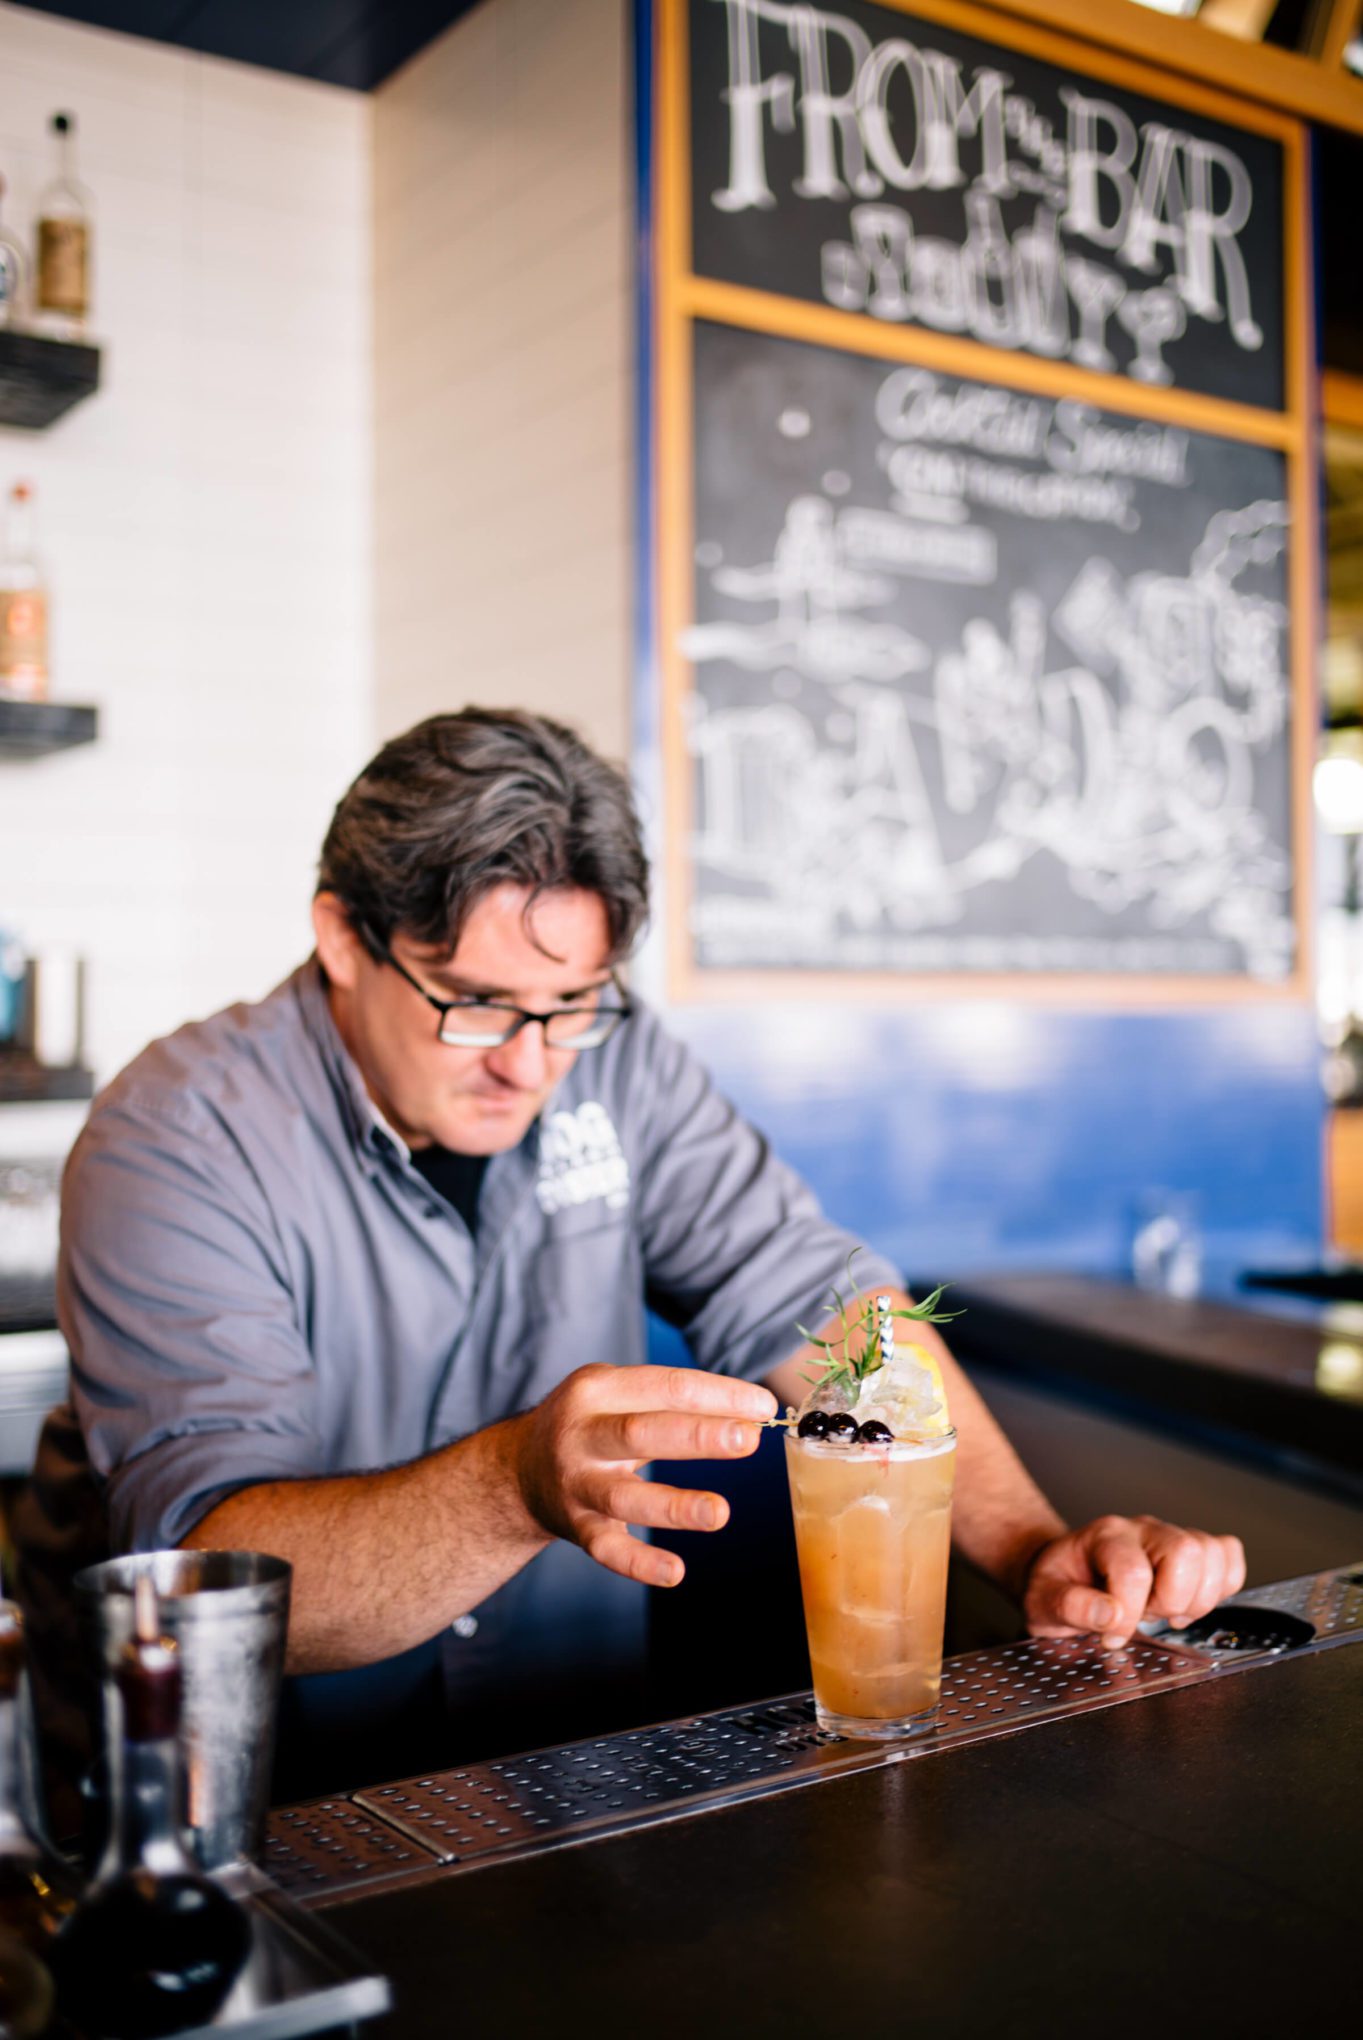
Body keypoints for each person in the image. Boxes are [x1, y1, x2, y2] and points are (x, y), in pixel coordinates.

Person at [34, 710, 1244, 1772]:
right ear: (345, 938)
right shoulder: (178, 1134)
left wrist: (1031, 1546)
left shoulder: (621, 1064)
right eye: (477, 1004)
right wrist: (510, 1486)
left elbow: (819, 1306)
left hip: (569, 1766)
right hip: (269, 1811)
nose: (531, 1062)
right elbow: (208, 1571)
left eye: (572, 1007)